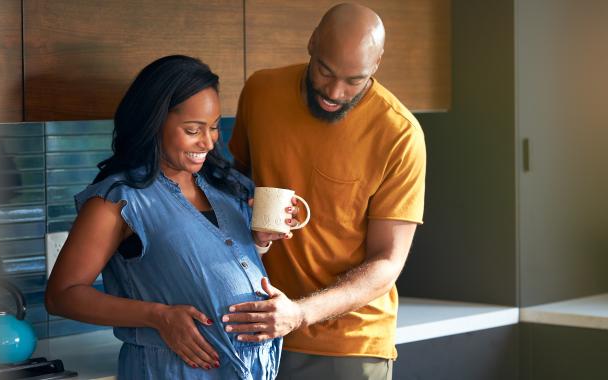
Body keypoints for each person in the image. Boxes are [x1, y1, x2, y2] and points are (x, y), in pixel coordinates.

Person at [45, 55, 289, 380]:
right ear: (153, 122)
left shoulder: (225, 184)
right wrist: (158, 316)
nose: (208, 141)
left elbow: (209, 261)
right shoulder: (118, 200)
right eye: (192, 130)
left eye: (214, 127)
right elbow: (62, 295)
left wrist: (259, 241)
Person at [225, 3, 426, 379]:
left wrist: (300, 314)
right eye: (325, 71)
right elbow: (234, 185)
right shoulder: (261, 92)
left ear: (378, 63)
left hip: (350, 343)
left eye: (354, 80)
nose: (335, 91)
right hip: (258, 331)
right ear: (312, 42)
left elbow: (387, 262)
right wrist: (249, 217)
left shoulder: (399, 134)